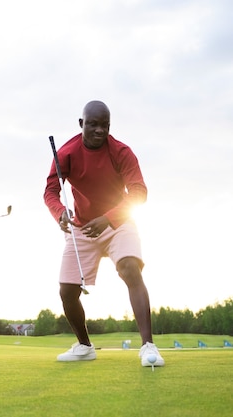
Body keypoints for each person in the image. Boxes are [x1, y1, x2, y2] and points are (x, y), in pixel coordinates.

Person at [43, 100, 164, 367]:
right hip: (83, 226)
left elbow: (139, 193)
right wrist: (60, 212)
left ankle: (148, 346)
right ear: (81, 124)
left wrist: (108, 219)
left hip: (119, 222)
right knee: (67, 291)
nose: (100, 130)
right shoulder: (66, 153)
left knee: (130, 268)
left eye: (105, 126)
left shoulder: (121, 152)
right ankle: (85, 346)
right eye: (93, 125)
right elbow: (50, 191)